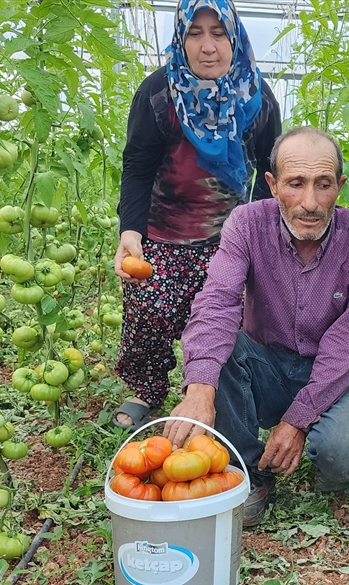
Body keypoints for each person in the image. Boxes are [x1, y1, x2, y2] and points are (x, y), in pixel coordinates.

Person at [164, 127, 349, 526]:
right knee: (226, 350)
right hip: (265, 361)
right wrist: (199, 388)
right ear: (272, 185)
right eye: (295, 184)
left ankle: (322, 451)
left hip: (341, 373)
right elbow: (217, 300)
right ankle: (247, 471)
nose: (310, 203)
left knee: (346, 457)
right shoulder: (247, 224)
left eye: (323, 185)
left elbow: (348, 341)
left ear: (339, 186)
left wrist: (298, 420)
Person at [112, 0, 282, 430]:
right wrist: (129, 232)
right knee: (148, 311)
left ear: (235, 38)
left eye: (218, 32)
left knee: (222, 317)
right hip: (162, 232)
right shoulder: (158, 93)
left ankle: (204, 392)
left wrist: (260, 231)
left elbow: (269, 172)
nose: (208, 46)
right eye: (195, 33)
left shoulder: (257, 99)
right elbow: (138, 165)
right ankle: (146, 389)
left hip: (229, 238)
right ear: (181, 39)